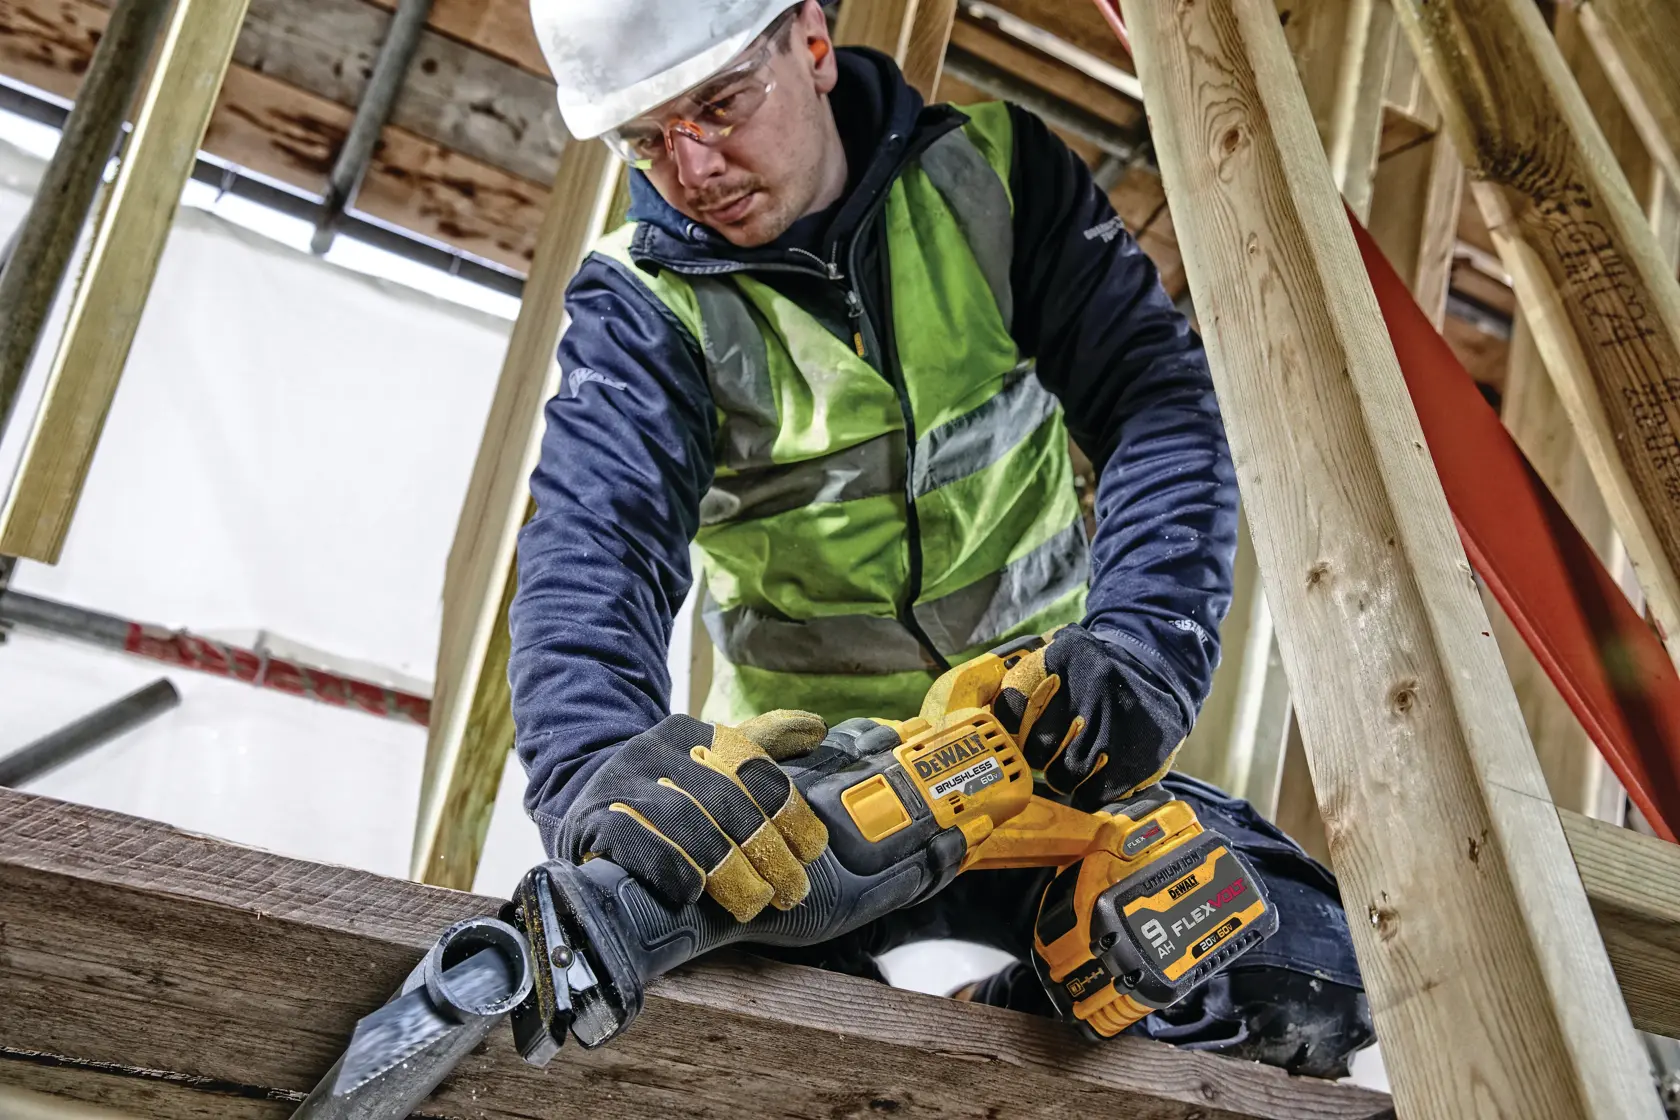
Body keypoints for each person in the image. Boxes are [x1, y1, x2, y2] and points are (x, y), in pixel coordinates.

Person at [513, 0, 1373, 1076]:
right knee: (726, 1028)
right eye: (645, 139)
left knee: (1298, 978)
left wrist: (1145, 645)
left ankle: (1007, 1006)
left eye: (719, 106)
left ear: (813, 46)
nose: (690, 166)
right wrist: (598, 771)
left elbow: (1157, 402)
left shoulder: (998, 179)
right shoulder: (644, 305)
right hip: (812, 803)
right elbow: (591, 555)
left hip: (1047, 747)